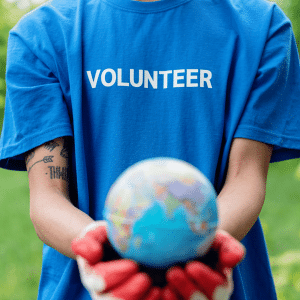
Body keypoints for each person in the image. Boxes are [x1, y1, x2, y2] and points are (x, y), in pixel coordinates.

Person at [0, 0, 300, 298]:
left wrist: (194, 251)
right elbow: (48, 197)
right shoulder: (40, 36)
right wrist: (103, 252)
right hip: (92, 289)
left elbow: (245, 178)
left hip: (207, 286)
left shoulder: (262, 27)